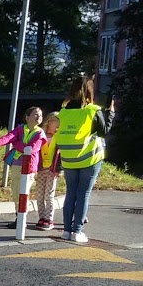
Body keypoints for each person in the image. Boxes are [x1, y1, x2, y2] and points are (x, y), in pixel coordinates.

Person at [49, 76, 115, 244]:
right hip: (89, 158)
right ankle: (77, 231)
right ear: (90, 91)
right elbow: (104, 131)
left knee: (71, 193)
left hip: (69, 158)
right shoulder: (92, 110)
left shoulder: (64, 111)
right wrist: (111, 113)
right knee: (83, 194)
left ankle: (66, 231)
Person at [0, 106, 48, 229]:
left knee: (24, 193)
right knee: (16, 193)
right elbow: (9, 137)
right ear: (27, 117)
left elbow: (31, 149)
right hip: (16, 164)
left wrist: (16, 143)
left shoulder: (40, 133)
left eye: (40, 115)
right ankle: (18, 217)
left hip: (29, 167)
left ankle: (22, 219)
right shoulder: (20, 129)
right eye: (35, 114)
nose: (39, 117)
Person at [33, 111, 62, 231]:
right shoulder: (41, 135)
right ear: (49, 122)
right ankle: (42, 217)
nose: (58, 128)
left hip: (52, 170)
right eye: (56, 125)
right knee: (39, 195)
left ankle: (49, 218)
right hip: (41, 169)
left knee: (49, 195)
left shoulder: (59, 138)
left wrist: (59, 169)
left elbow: (61, 155)